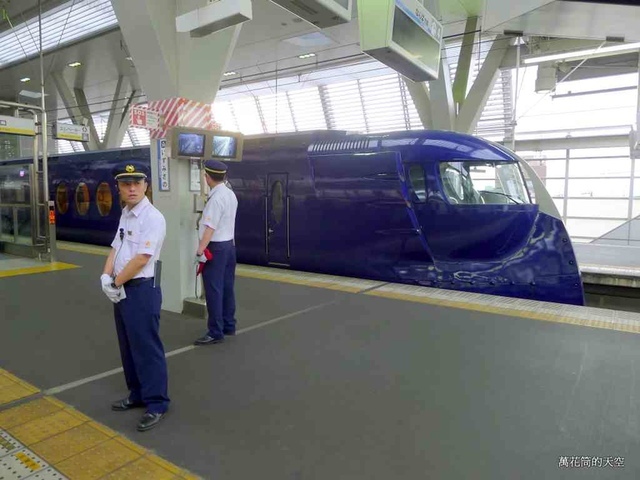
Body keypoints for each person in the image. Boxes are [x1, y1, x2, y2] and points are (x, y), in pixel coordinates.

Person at [100, 161, 170, 432]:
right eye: (125, 183)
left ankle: (157, 403)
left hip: (142, 289)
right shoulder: (126, 214)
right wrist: (106, 277)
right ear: (118, 187)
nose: (131, 188)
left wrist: (115, 282)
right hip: (123, 289)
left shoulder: (153, 218)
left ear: (146, 185)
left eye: (137, 183)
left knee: (147, 348)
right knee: (128, 346)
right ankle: (137, 393)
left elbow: (142, 258)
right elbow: (115, 247)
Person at [194, 159, 238, 345]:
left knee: (213, 289)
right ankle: (229, 325)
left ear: (207, 177)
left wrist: (200, 250)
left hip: (215, 249)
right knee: (227, 287)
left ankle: (215, 331)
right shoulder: (230, 194)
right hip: (229, 247)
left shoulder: (215, 199)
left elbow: (209, 228)